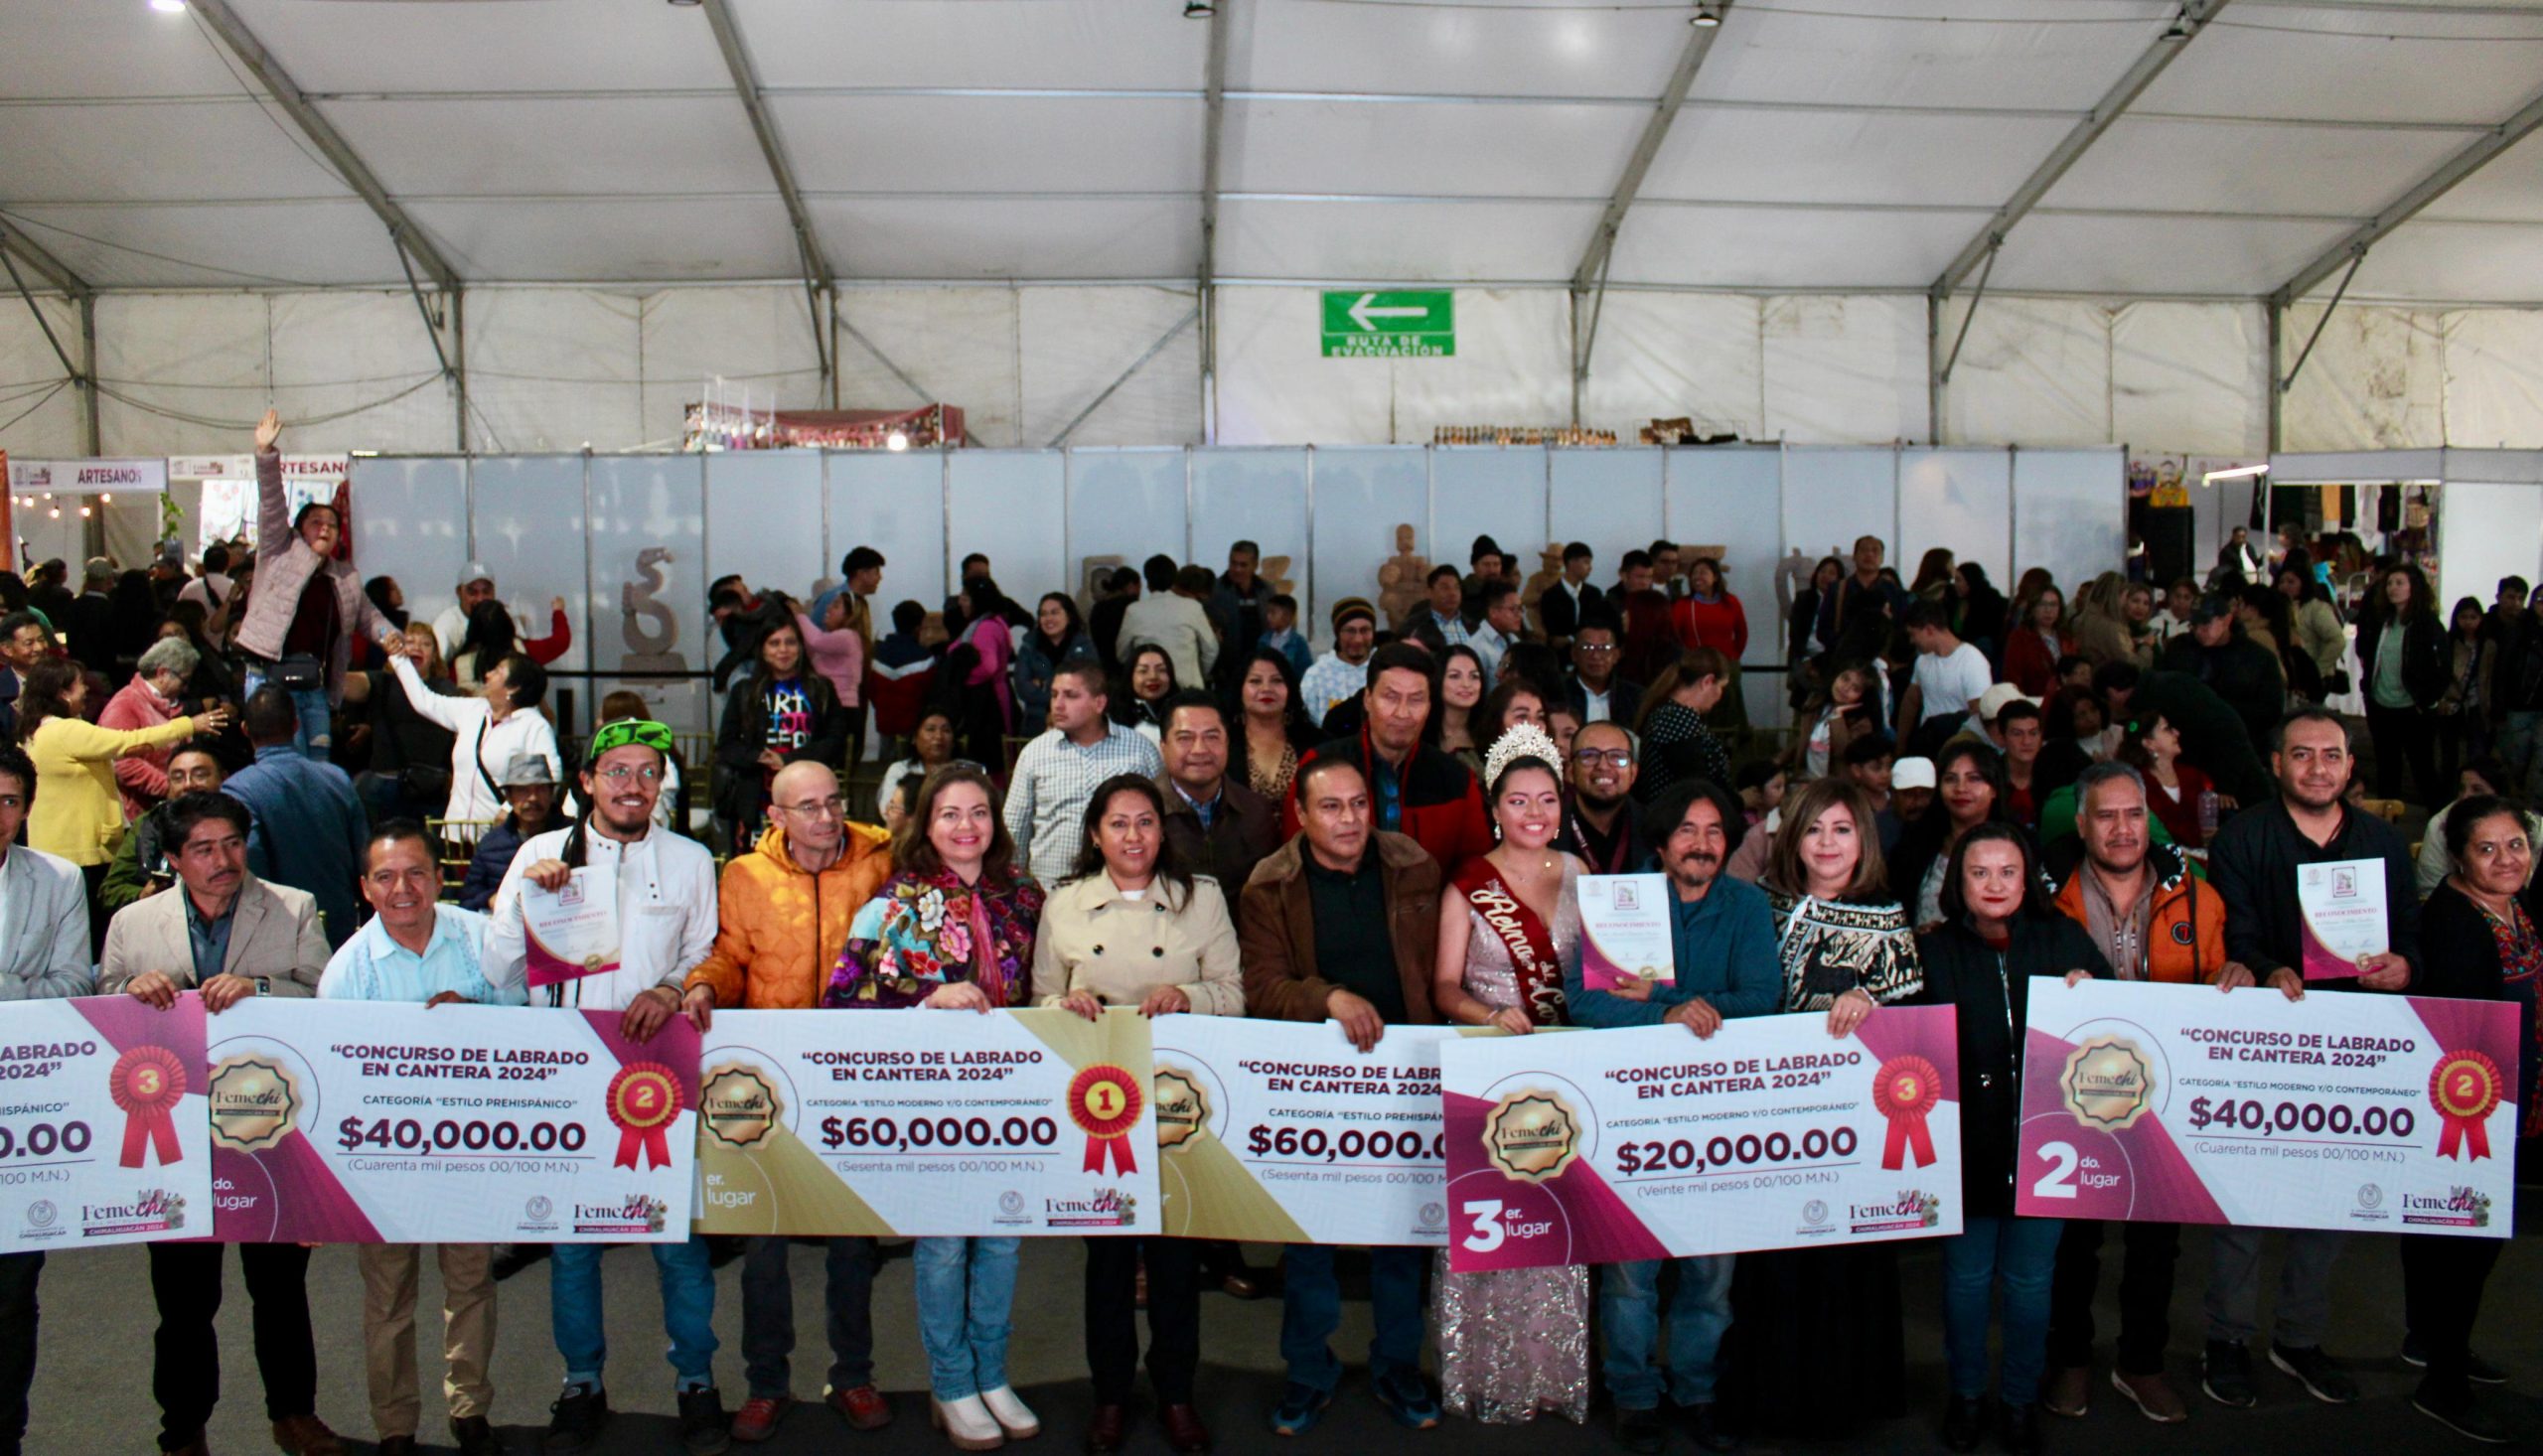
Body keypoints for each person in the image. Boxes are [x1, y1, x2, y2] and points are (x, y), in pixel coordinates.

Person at [481, 718, 728, 1452]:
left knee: (677, 1243)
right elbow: (497, 970)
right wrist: (526, 902)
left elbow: (703, 950)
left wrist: (671, 986)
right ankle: (581, 1382)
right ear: (586, 782)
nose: (634, 785)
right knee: (571, 1246)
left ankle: (696, 1381)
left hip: (657, 1073)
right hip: (567, 1074)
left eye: (649, 771)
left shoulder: (690, 860)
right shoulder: (539, 854)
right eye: (617, 770)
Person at [101, 791, 336, 1456]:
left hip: (271, 1131)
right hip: (172, 1139)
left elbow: (325, 995)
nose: (223, 859)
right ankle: (182, 1428)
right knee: (182, 1301)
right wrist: (132, 993)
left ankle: (294, 1414)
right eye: (203, 849)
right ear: (174, 859)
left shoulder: (293, 907)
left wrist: (257, 989)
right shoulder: (132, 923)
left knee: (280, 1289)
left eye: (233, 843)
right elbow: (104, 1005)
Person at [2200, 707, 2418, 1412]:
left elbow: (2411, 934)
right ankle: (2227, 1339)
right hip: (2268, 1040)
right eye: (2302, 754)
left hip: (2355, 1044)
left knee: (2331, 1205)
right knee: (2244, 1203)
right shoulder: (2244, 836)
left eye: (2331, 755)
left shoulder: (2383, 841)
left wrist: (2405, 967)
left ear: (2350, 766)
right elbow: (2235, 931)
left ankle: (2298, 1339)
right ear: (2277, 763)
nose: (2317, 768)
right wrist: (2265, 968)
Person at [826, 766, 1045, 1450]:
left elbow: (1049, 984)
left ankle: (991, 1373)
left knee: (1003, 1237)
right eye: (950, 814)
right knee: (946, 1244)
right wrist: (927, 997)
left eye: (979, 812)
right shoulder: (896, 900)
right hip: (934, 1102)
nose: (966, 826)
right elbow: (842, 998)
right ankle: (951, 1383)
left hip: (1012, 1098)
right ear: (926, 823)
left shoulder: (1025, 896)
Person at [677, 760, 894, 1443]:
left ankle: (853, 1375)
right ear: (776, 816)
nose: (826, 818)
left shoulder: (880, 861)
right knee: (763, 1249)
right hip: (769, 1085)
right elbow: (729, 956)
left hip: (854, 1079)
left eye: (834, 802)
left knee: (853, 1244)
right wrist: (704, 984)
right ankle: (766, 1384)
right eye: (808, 807)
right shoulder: (744, 876)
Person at [1564, 774, 1778, 1453]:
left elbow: (1763, 998)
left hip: (1719, 1117)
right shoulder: (1617, 901)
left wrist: (1665, 999)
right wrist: (1669, 1014)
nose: (1702, 844)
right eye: (1687, 830)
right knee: (1631, 1274)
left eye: (1715, 831)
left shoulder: (1748, 906)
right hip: (1633, 1114)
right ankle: (1634, 1395)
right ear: (1660, 841)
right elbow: (1585, 1001)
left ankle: (1697, 1391)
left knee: (1711, 1275)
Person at [1033, 775, 1238, 1454]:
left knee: (1178, 1261)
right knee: (1109, 1264)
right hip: (1099, 1106)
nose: (1132, 836)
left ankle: (1177, 1393)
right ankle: (1111, 1396)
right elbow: (1039, 1001)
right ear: (1095, 835)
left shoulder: (1200, 898)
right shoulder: (1063, 904)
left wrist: (1188, 996)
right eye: (1118, 824)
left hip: (1179, 1105)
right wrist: (1062, 1008)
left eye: (1145, 821)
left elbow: (1234, 992)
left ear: (1162, 830)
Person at [1240, 754, 1442, 1436]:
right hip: (1315, 1084)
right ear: (1301, 814)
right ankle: (1307, 1370)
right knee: (1310, 1240)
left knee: (1401, 1238)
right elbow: (1262, 988)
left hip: (1406, 1076)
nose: (1350, 819)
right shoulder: (1268, 885)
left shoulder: (1414, 864)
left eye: (1359, 804)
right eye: (1331, 807)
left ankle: (1398, 1365)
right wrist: (1328, 998)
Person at [1720, 777, 1920, 1438]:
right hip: (1766, 1125)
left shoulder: (1888, 919)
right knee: (1769, 1264)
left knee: (1841, 1267)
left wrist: (1872, 1003)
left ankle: (1840, 1405)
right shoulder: (1758, 906)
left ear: (1863, 839)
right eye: (1813, 829)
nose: (1827, 843)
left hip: (1848, 1135)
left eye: (1841, 829)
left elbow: (1914, 1035)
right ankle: (1768, 1399)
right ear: (1791, 838)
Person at [2040, 763, 2233, 1427]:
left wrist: (2237, 977)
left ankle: (2142, 1362)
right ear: (2081, 823)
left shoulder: (2198, 896)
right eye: (2106, 815)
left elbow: (2218, 983)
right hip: (2070, 1096)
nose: (2123, 829)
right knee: (2074, 1241)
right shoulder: (2048, 899)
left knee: (2157, 1244)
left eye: (2133, 814)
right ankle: (2070, 1357)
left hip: (2166, 1101)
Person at [317, 822, 518, 1456]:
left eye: (415, 873)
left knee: (472, 1286)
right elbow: (330, 1075)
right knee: (388, 1299)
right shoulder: (347, 970)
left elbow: (534, 1027)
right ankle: (396, 1426)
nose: (401, 889)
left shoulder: (483, 941)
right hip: (385, 1163)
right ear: (365, 887)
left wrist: (478, 1021)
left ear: (439, 878)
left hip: (470, 1152)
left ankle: (471, 1410)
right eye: (385, 877)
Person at [1917, 824, 2111, 1454]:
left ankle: (2020, 1400)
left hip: (2047, 1147)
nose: (1995, 885)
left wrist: (2093, 990)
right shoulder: (1934, 949)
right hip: (1964, 1147)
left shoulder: (2062, 937)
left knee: (2031, 1284)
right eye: (1980, 873)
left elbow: (2114, 1019)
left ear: (2028, 880)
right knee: (1967, 1280)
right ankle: (1967, 1396)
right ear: (1959, 882)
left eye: (2008, 872)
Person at [1421, 725, 1591, 1425]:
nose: (1534, 813)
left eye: (1546, 799)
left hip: (1566, 1070)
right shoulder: (1468, 883)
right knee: (1494, 1219)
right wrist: (1489, 1014)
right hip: (1490, 1070)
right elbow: (1443, 986)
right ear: (1495, 807)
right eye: (1518, 800)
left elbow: (1609, 972)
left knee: (1560, 1224)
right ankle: (1483, 1371)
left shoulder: (1582, 874)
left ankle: (1554, 1371)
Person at [2408, 795, 2535, 1443]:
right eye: (2487, 849)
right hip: (2472, 1111)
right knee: (2465, 1244)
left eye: (2516, 845)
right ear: (2458, 857)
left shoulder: (2515, 906)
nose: (2506, 859)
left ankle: (2437, 1344)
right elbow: (2462, 1036)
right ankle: (2444, 1383)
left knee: (2475, 1246)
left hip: (2516, 1101)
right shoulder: (2454, 921)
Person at [0, 743, 87, 1455]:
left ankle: (8, 1433)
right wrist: (20, 990)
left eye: (8, 801)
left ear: (27, 808)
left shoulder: (59, 879)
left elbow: (73, 989)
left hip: (25, 1126)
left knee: (12, 1297)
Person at [18, 656, 224, 953]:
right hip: (78, 853)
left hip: (62, 849)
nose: (86, 691)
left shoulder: (40, 731)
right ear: (62, 693)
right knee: (90, 936)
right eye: (80, 685)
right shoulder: (64, 731)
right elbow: (130, 741)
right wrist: (188, 725)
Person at [233, 411, 404, 760]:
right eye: (316, 522)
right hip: (269, 679)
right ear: (299, 529)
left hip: (314, 685)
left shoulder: (346, 576)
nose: (325, 528)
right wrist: (266, 453)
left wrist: (393, 638)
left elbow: (369, 618)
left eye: (332, 524)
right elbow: (271, 503)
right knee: (285, 762)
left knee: (318, 764)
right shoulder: (279, 549)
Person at [1285, 643, 1491, 870]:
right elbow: (1292, 857)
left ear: (1429, 706)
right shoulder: (1319, 767)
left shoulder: (1456, 778)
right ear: (1368, 699)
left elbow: (1475, 867)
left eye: (1416, 700)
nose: (1402, 713)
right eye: (1391, 697)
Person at [223, 685, 369, 950]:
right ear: (296, 725)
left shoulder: (239, 789)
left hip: (278, 927)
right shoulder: (337, 778)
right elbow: (365, 855)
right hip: (340, 924)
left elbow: (251, 861)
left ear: (245, 729)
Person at [1005, 660, 1165, 886]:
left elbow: (1161, 819)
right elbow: (1015, 826)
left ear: (1099, 703)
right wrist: (1017, 886)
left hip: (1124, 888)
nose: (1058, 705)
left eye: (1071, 696)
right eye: (1054, 695)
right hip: (1051, 889)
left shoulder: (1140, 750)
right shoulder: (1035, 753)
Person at [385, 645, 561, 839]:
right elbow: (425, 701)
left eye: (498, 671)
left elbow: (551, 774)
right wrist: (399, 658)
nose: (488, 674)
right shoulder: (473, 710)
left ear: (513, 687)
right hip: (455, 835)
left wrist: (510, 809)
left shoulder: (534, 726)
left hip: (501, 836)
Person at [713, 619, 850, 845]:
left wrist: (788, 760)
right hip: (757, 793)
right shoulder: (744, 691)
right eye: (774, 643)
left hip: (811, 789)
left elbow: (836, 741)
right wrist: (759, 757)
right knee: (760, 859)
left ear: (801, 648)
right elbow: (727, 745)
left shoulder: (821, 688)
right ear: (763, 650)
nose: (783, 650)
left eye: (790, 642)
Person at [1155, 690, 1279, 898]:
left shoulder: (1256, 811)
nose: (1199, 749)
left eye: (1211, 737)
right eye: (1185, 738)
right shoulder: (1143, 812)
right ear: (1163, 747)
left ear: (1227, 742)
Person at [2355, 564, 2449, 804]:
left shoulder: (2426, 623)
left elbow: (2441, 666)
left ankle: (2439, 820)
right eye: (2389, 583)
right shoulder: (2382, 621)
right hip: (2381, 704)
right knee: (2387, 768)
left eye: (2399, 583)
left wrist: (2428, 699)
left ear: (2413, 587)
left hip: (2413, 707)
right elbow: (2367, 652)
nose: (2392, 588)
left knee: (2423, 769)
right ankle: (2386, 820)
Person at [2159, 594, 2288, 761]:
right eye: (2194, 624)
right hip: (2187, 746)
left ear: (2226, 621)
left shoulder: (2257, 658)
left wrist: (2219, 709)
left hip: (2240, 746)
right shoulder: (2179, 649)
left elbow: (2271, 711)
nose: (2199, 631)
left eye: (2206, 624)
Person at [103, 737, 226, 913]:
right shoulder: (149, 824)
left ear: (222, 778)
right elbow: (111, 889)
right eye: (178, 778)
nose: (188, 784)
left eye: (200, 775)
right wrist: (141, 895)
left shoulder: (238, 823)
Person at [97, 635, 200, 821]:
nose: (186, 688)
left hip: (164, 809)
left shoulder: (167, 703)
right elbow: (122, 763)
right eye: (184, 681)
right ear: (162, 673)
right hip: (137, 816)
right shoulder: (124, 704)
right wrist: (169, 788)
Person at [2416, 759, 2539, 897]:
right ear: (2459, 858)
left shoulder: (2524, 820)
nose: (2465, 796)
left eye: (2477, 790)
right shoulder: (2440, 824)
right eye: (2487, 849)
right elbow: (2430, 887)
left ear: (2499, 794)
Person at [458, 753, 563, 913]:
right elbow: (468, 898)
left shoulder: (574, 835)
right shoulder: (490, 844)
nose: (533, 798)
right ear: (509, 797)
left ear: (551, 793)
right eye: (523, 790)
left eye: (540, 789)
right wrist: (490, 899)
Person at [1631, 649, 1731, 805]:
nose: (1720, 696)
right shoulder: (1676, 719)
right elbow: (1695, 782)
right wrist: (1739, 801)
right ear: (1707, 681)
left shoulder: (1670, 715)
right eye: (1721, 687)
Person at [945, 577, 1022, 766]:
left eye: (965, 597)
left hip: (987, 703)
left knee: (989, 757)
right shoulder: (987, 622)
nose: (960, 601)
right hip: (988, 697)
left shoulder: (986, 627)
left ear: (977, 600)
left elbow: (987, 667)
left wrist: (961, 678)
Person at [2116, 711, 2218, 850]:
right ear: (2149, 743)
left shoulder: (2195, 777)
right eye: (2167, 729)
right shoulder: (2134, 785)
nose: (2177, 733)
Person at [1897, 601, 1992, 750]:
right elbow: (1911, 702)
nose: (1911, 641)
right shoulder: (1922, 661)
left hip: (1959, 746)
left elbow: (1979, 711)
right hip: (1927, 742)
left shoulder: (1972, 660)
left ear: (1929, 630)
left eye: (1913, 634)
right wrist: (1901, 745)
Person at [1231, 646, 1314, 803]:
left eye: (1277, 681)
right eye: (1255, 681)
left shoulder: (1316, 742)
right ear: (1240, 689)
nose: (1266, 689)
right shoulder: (1224, 743)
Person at [1558, 720, 1641, 876]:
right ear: (1570, 771)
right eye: (1589, 756)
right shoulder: (1549, 832)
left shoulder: (1656, 831)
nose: (1603, 766)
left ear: (1633, 773)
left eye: (1617, 757)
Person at [1121, 563, 1221, 690]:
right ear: (1174, 579)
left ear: (1147, 582)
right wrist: (1197, 672)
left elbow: (1122, 654)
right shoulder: (1193, 607)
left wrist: (1141, 670)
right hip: (1188, 686)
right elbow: (1211, 649)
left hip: (1150, 688)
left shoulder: (1134, 610)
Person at [1814, 535, 1908, 660]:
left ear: (1882, 559)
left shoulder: (1895, 592)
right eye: (1864, 550)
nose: (1869, 554)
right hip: (1843, 659)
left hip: (1883, 661)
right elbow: (1823, 630)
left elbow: (1903, 630)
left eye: (1875, 551)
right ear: (1854, 556)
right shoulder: (1837, 589)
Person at [1013, 591, 1096, 732]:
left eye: (1054, 613)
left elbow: (1090, 684)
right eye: (1043, 614)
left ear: (1069, 616)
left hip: (1076, 720)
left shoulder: (1083, 646)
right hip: (1036, 721)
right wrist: (1065, 693)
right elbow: (1022, 686)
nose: (1048, 618)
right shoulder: (1030, 646)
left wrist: (1044, 683)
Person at [2437, 595, 2495, 791]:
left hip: (2478, 703)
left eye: (2473, 617)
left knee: (2476, 751)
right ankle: (2448, 790)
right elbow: (2442, 674)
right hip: (2452, 703)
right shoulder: (2449, 642)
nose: (2468, 622)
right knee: (2449, 752)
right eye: (2464, 617)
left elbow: (2490, 676)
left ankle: (2474, 789)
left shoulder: (2488, 644)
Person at [878, 706, 960, 834]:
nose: (938, 736)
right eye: (930, 729)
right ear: (914, 738)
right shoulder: (900, 770)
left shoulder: (968, 771)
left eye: (946, 730)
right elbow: (888, 812)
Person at [1301, 598, 1377, 727]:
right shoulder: (1317, 675)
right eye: (1350, 631)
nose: (1358, 639)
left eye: (1365, 630)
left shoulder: (1385, 669)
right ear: (1337, 633)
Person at [1562, 616, 1640, 727]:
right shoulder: (1557, 693)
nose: (1596, 656)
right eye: (1587, 647)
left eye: (1605, 648)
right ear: (1574, 654)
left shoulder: (1634, 697)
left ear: (1616, 655)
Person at [1670, 556, 1747, 665]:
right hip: (1695, 665)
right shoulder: (1682, 605)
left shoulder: (1731, 601)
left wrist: (1734, 656)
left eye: (1703, 573)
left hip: (1727, 662)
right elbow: (1674, 636)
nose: (1697, 577)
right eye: (1694, 573)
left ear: (1715, 577)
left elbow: (1742, 633)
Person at [2005, 584, 2073, 698]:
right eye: (2042, 604)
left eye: (2053, 604)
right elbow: (2012, 678)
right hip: (2032, 701)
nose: (2048, 610)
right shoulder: (2020, 637)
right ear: (2032, 608)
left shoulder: (2066, 637)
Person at [1538, 542, 1601, 647]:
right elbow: (1554, 635)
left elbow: (1597, 625)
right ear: (1571, 562)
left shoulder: (1594, 594)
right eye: (1586, 562)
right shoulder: (1550, 596)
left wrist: (1571, 638)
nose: (1590, 568)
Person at [1466, 579, 1526, 683]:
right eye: (1513, 609)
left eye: (1520, 609)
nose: (1519, 615)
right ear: (1493, 612)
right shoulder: (1477, 646)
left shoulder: (1514, 639)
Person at [1120, 642, 1180, 740]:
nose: (1153, 676)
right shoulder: (1113, 717)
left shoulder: (1183, 709)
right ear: (1130, 676)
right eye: (1143, 671)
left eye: (1161, 670)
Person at [1089, 565, 1140, 672]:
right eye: (1139, 587)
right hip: (1126, 666)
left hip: (1103, 665)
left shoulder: (1097, 608)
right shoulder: (1131, 606)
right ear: (1131, 585)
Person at [1257, 592, 1312, 677]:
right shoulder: (1263, 640)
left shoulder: (1298, 643)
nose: (1268, 617)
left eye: (1273, 613)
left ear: (1287, 616)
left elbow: (1305, 672)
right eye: (1268, 612)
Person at [1419, 564, 1471, 648]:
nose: (1452, 593)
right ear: (1429, 592)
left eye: (1456, 588)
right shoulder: (1415, 627)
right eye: (1445, 588)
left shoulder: (1472, 626)